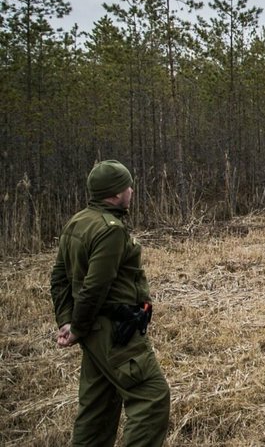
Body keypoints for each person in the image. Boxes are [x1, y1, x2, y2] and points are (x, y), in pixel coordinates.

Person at [50, 160, 170, 447]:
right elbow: (95, 287)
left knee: (97, 410)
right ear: (115, 194)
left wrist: (66, 320)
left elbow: (58, 278)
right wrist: (76, 326)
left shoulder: (76, 222)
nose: (132, 190)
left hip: (93, 333)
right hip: (114, 333)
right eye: (127, 186)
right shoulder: (110, 230)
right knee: (152, 398)